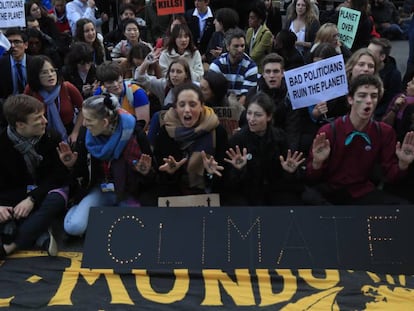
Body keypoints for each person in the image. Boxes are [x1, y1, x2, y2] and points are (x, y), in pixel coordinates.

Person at [306, 74, 414, 205]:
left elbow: (391, 175)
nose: (369, 101)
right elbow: (311, 177)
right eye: (362, 95)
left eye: (373, 96)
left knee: (403, 208)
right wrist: (317, 162)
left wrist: (403, 164)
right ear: (350, 99)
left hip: (362, 192)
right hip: (330, 193)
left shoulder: (384, 132)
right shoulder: (328, 131)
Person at [59, 94, 155, 236]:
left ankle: (104, 216)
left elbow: (153, 178)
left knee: (132, 231)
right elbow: (80, 175)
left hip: (128, 191)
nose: (84, 124)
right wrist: (71, 165)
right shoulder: (86, 134)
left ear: (104, 122)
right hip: (100, 190)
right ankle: (80, 210)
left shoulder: (134, 133)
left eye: (89, 120)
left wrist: (145, 172)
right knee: (74, 227)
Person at [0, 94, 70, 259]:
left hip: (46, 191)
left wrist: (32, 199)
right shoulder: (2, 143)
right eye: (38, 118)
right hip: (14, 194)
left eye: (43, 115)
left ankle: (10, 245)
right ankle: (41, 235)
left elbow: (57, 177)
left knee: (55, 200)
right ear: (20, 125)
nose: (45, 121)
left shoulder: (52, 137)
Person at [224, 92, 305, 206]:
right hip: (247, 195)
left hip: (274, 193)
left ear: (269, 116)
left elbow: (290, 182)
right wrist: (238, 170)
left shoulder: (280, 138)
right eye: (249, 113)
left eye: (257, 115)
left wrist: (289, 172)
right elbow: (228, 184)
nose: (251, 119)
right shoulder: (237, 140)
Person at [152, 83, 228, 197]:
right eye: (182, 105)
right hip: (175, 194)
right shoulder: (166, 132)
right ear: (175, 108)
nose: (187, 110)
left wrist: (210, 174)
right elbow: (160, 179)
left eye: (192, 104)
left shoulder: (217, 131)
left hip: (208, 195)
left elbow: (224, 180)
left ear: (201, 106)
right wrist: (170, 173)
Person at [245, 53, 302, 150]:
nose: (272, 75)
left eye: (276, 71)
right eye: (268, 71)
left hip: (281, 143)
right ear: (263, 74)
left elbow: (293, 128)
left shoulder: (291, 95)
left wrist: (290, 154)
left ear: (283, 73)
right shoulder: (253, 94)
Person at [24, 55, 84, 143]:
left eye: (52, 71)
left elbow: (83, 108)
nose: (50, 75)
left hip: (68, 132)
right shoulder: (31, 89)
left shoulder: (67, 87)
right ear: (35, 75)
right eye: (44, 72)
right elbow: (24, 112)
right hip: (41, 135)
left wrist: (75, 132)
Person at [209, 28, 258, 107]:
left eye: (242, 46)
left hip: (241, 108)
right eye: (236, 46)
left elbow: (245, 97)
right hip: (220, 105)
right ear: (227, 47)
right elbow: (213, 94)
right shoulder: (217, 65)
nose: (240, 49)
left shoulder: (251, 66)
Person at [94, 62, 150, 127]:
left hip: (134, 131)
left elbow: (143, 124)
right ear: (103, 84)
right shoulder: (100, 93)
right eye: (110, 82)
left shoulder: (137, 93)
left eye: (117, 79)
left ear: (122, 76)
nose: (115, 84)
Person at [367, 37, 403, 119]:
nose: (366, 55)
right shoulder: (362, 68)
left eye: (370, 53)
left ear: (382, 57)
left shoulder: (394, 75)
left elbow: (390, 102)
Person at [382, 74, 414, 141]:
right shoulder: (399, 98)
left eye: (412, 83)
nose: (408, 83)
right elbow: (384, 125)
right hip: (391, 141)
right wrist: (395, 108)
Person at [245, 3, 273, 73]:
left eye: (252, 18)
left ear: (260, 20)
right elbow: (245, 48)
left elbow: (255, 54)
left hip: (260, 69)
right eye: (249, 17)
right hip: (248, 65)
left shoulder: (267, 34)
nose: (249, 20)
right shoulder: (249, 31)